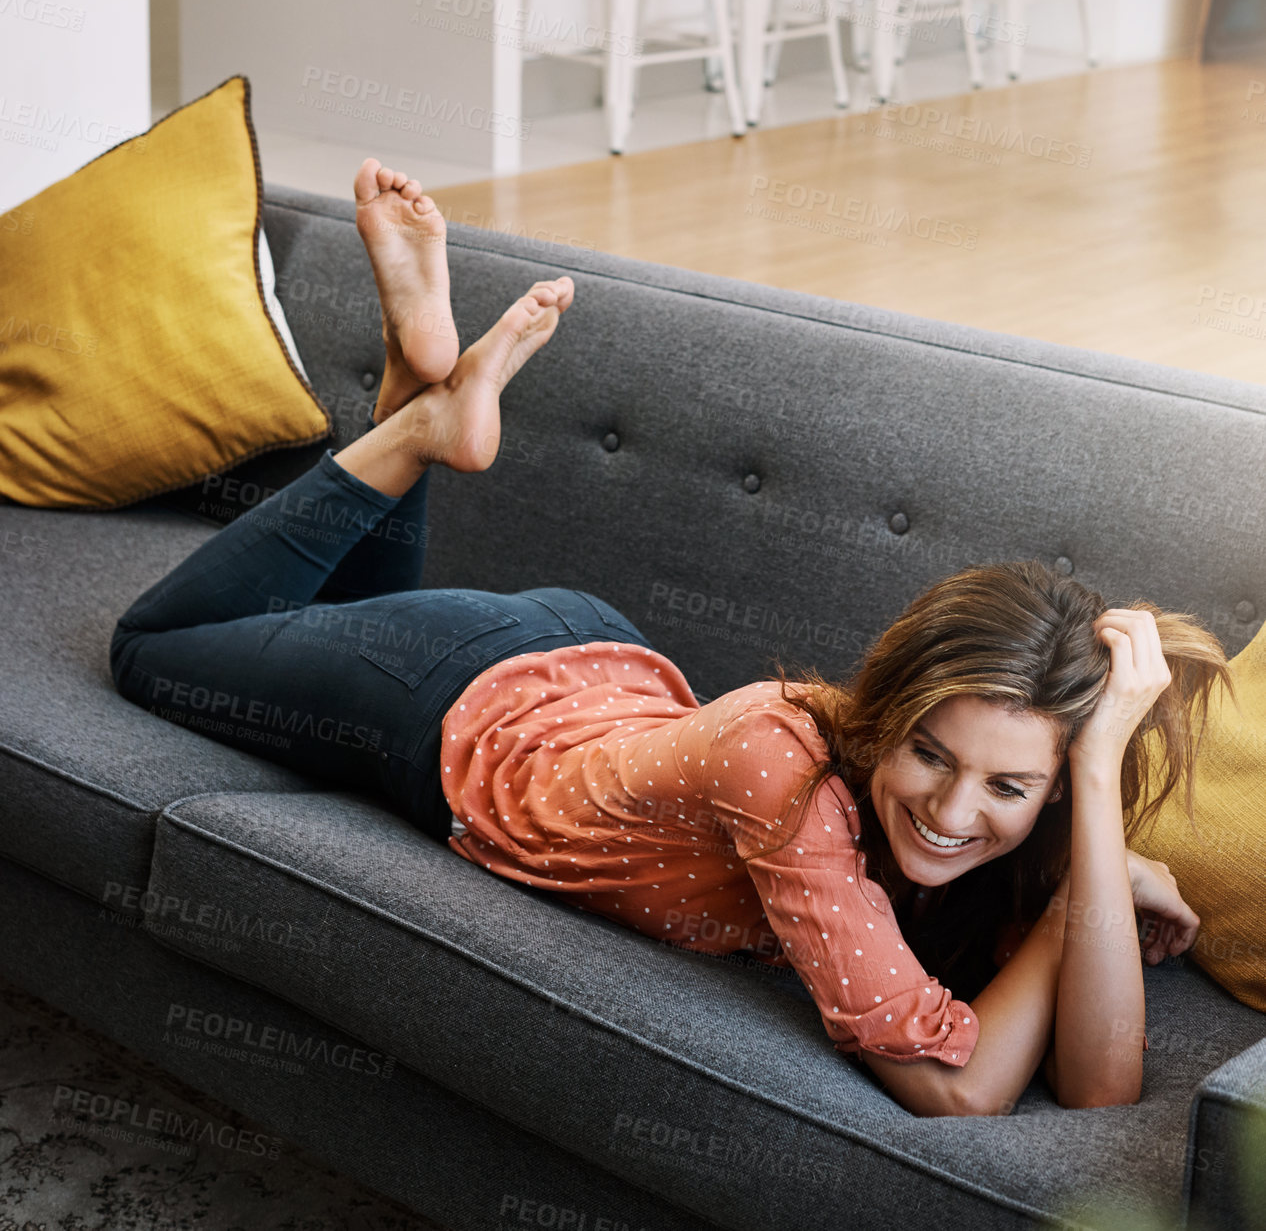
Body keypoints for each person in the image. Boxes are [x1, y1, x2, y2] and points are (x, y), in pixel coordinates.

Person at [109, 159, 1229, 1120]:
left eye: (1009, 785)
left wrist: (1091, 820)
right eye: (931, 754)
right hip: (461, 702)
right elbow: (960, 1089)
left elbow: (1098, 1092)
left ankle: (420, 383)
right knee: (159, 646)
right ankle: (415, 423)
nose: (950, 812)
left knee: (301, 625)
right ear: (886, 715)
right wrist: (1091, 885)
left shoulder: (1027, 815)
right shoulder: (789, 772)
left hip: (599, 666)